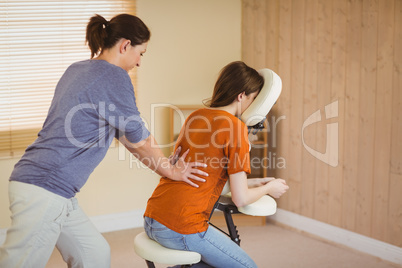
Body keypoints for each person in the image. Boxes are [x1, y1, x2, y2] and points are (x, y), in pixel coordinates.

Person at [0, 14, 208, 268]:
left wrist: (164, 166)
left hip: (52, 189)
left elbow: (131, 139)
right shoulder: (114, 77)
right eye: (140, 53)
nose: (139, 62)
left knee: (94, 254)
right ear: (124, 46)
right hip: (46, 188)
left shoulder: (78, 69)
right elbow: (140, 140)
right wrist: (171, 171)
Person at [143, 61, 289, 268]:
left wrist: (257, 182)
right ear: (241, 96)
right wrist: (269, 188)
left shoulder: (195, 117)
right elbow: (241, 199)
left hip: (153, 216)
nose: (254, 104)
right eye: (254, 98)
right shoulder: (236, 128)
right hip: (181, 226)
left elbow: (208, 173)